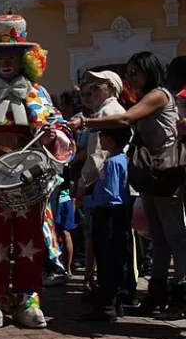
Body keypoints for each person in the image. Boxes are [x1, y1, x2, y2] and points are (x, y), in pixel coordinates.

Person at [0, 13, 74, 329]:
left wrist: (50, 136)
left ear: (25, 60)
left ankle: (28, 301)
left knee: (30, 240)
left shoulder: (39, 93)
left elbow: (60, 129)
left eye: (12, 56)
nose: (6, 62)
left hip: (30, 179)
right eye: (0, 56)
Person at [69, 52, 186, 319]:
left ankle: (180, 296)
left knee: (176, 236)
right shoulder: (145, 97)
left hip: (166, 172)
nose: (130, 78)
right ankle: (156, 295)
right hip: (150, 173)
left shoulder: (158, 95)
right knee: (158, 237)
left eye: (135, 73)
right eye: (128, 73)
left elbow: (126, 120)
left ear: (149, 71)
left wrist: (85, 122)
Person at [83, 127, 132, 321]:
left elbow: (110, 195)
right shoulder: (122, 159)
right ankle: (115, 302)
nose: (100, 139)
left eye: (102, 136)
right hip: (119, 213)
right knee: (116, 258)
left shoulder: (112, 163)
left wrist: (88, 200)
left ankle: (107, 306)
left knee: (107, 258)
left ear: (110, 140)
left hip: (109, 214)